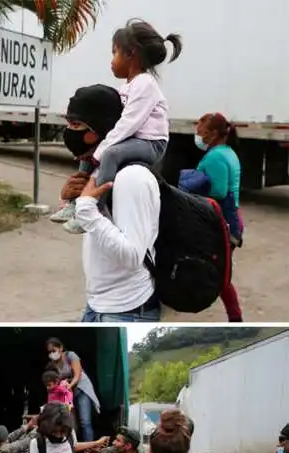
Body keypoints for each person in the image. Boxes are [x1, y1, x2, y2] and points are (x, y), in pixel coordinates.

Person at [52, 19, 180, 235]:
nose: (111, 61)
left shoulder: (144, 84)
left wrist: (102, 150)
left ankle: (94, 208)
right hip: (135, 138)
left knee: (109, 154)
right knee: (89, 155)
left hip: (150, 142)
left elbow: (129, 122)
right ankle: (74, 202)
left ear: (131, 54)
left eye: (115, 53)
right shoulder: (128, 86)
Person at [58, 85, 162, 322]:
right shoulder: (101, 171)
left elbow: (132, 256)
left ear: (100, 129)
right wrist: (70, 199)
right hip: (97, 304)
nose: (68, 134)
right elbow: (98, 228)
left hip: (127, 309)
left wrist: (86, 208)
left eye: (76, 126)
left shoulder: (132, 177)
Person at [181, 112, 244, 321]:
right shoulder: (227, 151)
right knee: (216, 269)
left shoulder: (217, 156)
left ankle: (235, 318)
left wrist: (192, 192)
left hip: (224, 221)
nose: (199, 137)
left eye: (203, 133)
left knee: (220, 273)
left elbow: (218, 191)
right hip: (229, 218)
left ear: (214, 134)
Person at [46, 337, 100, 444]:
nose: (52, 354)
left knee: (85, 421)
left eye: (54, 350)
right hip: (67, 395)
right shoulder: (52, 365)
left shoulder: (71, 356)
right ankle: (72, 449)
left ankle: (89, 451)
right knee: (70, 422)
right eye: (49, 352)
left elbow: (77, 374)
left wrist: (70, 385)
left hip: (81, 389)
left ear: (60, 348)